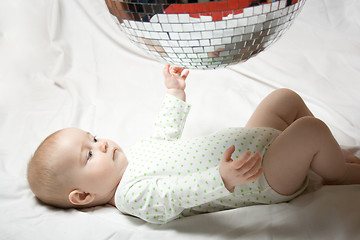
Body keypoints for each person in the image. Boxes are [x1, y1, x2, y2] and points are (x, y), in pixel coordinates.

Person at [27, 65, 360, 224]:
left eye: (94, 138)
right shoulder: (130, 196)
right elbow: (174, 195)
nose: (101, 145)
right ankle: (336, 172)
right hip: (258, 178)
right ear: (82, 195)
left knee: (283, 99)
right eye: (88, 155)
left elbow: (164, 132)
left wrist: (174, 94)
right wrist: (222, 180)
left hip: (249, 146)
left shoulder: (138, 156)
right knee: (309, 130)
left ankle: (325, 155)